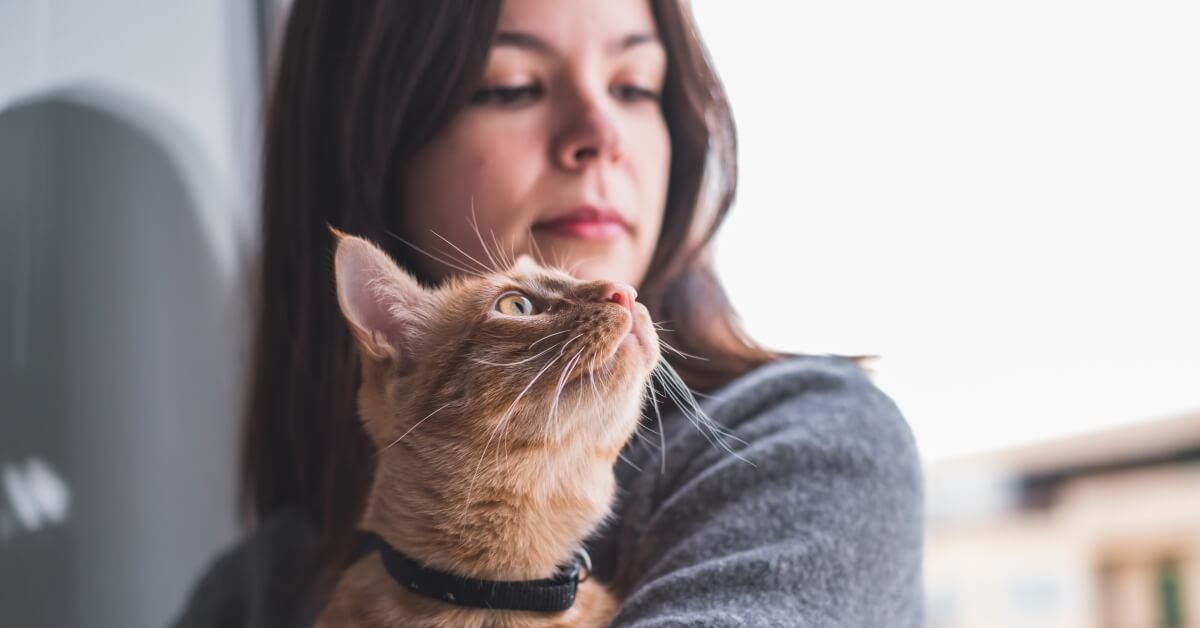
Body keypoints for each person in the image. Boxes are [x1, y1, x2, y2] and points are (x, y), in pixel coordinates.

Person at [171, 0, 924, 626]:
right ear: (372, 141)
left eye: (635, 87)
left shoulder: (804, 451)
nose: (602, 135)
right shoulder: (257, 587)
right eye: (512, 86)